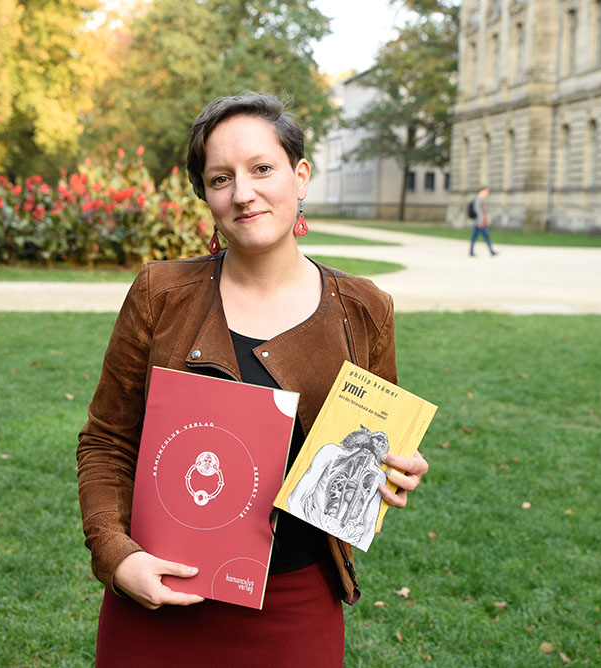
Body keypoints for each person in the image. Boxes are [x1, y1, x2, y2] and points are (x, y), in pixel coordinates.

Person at [76, 92, 429, 667]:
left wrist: (394, 471)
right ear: (206, 196)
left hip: (294, 608)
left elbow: (374, 444)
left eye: (262, 168)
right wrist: (116, 557)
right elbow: (107, 442)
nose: (243, 194)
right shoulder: (160, 295)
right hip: (161, 595)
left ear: (300, 175)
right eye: (221, 179)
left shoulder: (364, 309)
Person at [468, 186, 498, 256]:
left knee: (484, 237)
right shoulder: (478, 199)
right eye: (486, 192)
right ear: (482, 191)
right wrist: (480, 222)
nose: (487, 194)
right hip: (479, 223)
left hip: (482, 222)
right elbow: (477, 211)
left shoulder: (481, 199)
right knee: (476, 237)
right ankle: (472, 252)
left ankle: (491, 251)